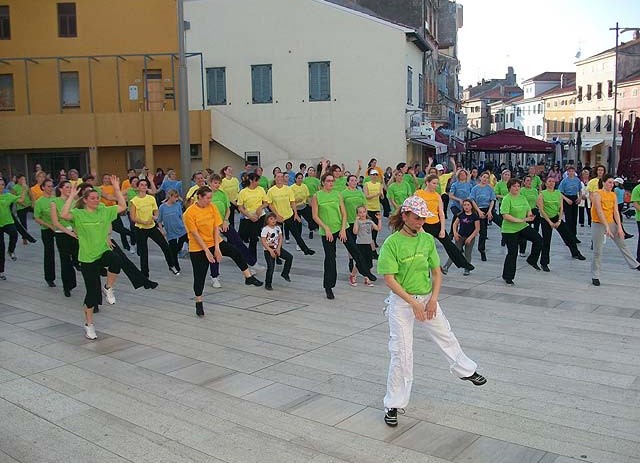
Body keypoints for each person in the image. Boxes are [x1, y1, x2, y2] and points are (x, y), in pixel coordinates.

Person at [378, 195, 486, 427]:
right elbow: (389, 279)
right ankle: (393, 405)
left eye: (423, 218)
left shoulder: (427, 239)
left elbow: (436, 271)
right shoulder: (392, 243)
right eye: (417, 218)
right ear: (405, 216)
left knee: (445, 333)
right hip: (401, 303)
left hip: (427, 297)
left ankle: (466, 370)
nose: (420, 222)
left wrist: (433, 299)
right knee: (401, 353)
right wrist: (413, 303)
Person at [60, 177, 126, 340]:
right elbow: (63, 214)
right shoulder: (79, 214)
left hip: (102, 252)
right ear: (85, 200)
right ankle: (89, 325)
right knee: (91, 294)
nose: (96, 200)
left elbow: (123, 206)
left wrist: (117, 189)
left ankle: (108, 287)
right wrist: (71, 196)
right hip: (88, 258)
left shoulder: (104, 210)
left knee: (116, 260)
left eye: (97, 197)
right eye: (92, 198)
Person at [184, 186, 262, 317]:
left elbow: (216, 228)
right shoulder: (189, 213)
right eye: (208, 198)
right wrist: (207, 252)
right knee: (199, 276)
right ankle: (198, 302)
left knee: (235, 252)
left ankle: (248, 277)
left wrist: (217, 248)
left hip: (214, 241)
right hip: (197, 247)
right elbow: (195, 234)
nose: (210, 200)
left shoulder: (212, 207)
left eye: (211, 198)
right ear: (200, 197)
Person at [312, 173, 376, 299]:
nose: (331, 183)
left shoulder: (337, 194)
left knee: (355, 250)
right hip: (327, 231)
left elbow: (344, 213)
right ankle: (328, 287)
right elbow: (315, 216)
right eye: (329, 181)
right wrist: (326, 229)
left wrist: (342, 229)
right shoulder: (317, 196)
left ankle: (365, 271)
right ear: (323, 182)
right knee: (330, 259)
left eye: (332, 181)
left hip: (341, 227)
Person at [416, 175, 474, 271]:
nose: (436, 185)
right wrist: (419, 227)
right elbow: (416, 212)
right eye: (434, 183)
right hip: (423, 225)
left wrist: (442, 229)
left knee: (449, 245)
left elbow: (441, 213)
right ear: (427, 183)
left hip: (436, 223)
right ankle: (426, 268)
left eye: (437, 183)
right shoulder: (418, 194)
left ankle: (464, 263)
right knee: (424, 248)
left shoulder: (437, 196)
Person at [590, 174, 640, 286]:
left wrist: (620, 228)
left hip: (611, 222)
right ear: (603, 182)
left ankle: (634, 264)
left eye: (612, 183)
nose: (611, 185)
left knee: (622, 243)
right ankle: (595, 275)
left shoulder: (613, 195)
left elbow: (616, 212)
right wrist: (606, 227)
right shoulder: (597, 194)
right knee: (598, 251)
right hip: (598, 224)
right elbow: (599, 211)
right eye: (609, 182)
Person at [130, 178, 180, 278]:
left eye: (145, 185)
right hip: (140, 229)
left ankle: (171, 265)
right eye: (141, 185)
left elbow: (156, 211)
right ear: (138, 187)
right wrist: (144, 221)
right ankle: (145, 274)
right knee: (144, 252)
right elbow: (133, 217)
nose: (144, 187)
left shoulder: (151, 198)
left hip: (152, 227)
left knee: (165, 246)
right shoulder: (134, 201)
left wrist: (156, 217)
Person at [537, 176, 586, 272]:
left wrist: (559, 220)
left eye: (553, 181)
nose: (551, 183)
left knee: (568, 235)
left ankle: (575, 253)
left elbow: (561, 208)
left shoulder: (558, 193)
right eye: (549, 181)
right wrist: (550, 222)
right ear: (546, 183)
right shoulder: (542, 194)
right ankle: (544, 263)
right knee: (546, 241)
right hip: (546, 219)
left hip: (556, 217)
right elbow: (541, 210)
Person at [500, 178, 542, 285]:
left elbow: (528, 209)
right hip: (509, 230)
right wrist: (520, 220)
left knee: (538, 240)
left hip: (522, 226)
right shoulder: (507, 199)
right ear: (509, 188)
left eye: (518, 186)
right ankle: (508, 276)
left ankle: (532, 260)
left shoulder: (522, 198)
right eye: (514, 186)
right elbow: (505, 215)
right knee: (512, 253)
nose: (516, 188)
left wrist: (529, 215)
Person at [266, 172, 315, 255]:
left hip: (289, 215)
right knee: (277, 237)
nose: (280, 178)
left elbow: (292, 202)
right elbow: (270, 205)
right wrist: (277, 215)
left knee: (296, 234)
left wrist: (295, 213)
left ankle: (305, 250)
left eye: (282, 177)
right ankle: (277, 255)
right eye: (278, 177)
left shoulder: (288, 189)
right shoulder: (271, 191)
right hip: (277, 217)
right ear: (275, 178)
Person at [49, 180, 79, 297]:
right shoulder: (54, 202)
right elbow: (55, 222)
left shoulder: (74, 202)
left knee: (77, 257)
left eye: (70, 187)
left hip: (74, 232)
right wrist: (68, 232)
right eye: (67, 187)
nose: (69, 189)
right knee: (65, 260)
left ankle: (74, 278)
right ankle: (67, 286)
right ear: (60, 189)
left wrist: (75, 232)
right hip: (61, 233)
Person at [441, 199, 480, 276]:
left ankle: (467, 268)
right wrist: (455, 233)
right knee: (455, 252)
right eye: (464, 205)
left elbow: (477, 229)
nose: (466, 207)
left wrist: (470, 237)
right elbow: (455, 224)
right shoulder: (460, 214)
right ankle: (446, 267)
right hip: (460, 236)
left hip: (470, 237)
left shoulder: (474, 216)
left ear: (471, 206)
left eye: (468, 205)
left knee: (467, 253)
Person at [237, 172, 268, 262]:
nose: (258, 183)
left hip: (260, 216)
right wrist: (249, 215)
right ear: (251, 180)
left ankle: (255, 260)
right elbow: (240, 207)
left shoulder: (261, 189)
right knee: (249, 238)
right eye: (256, 181)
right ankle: (250, 259)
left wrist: (260, 208)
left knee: (259, 237)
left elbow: (266, 202)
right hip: (249, 217)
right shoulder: (243, 192)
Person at [157, 189, 189, 275]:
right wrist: (162, 230)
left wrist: (186, 226)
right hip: (171, 232)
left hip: (181, 229)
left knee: (183, 244)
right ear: (170, 197)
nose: (176, 199)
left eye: (177, 197)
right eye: (175, 197)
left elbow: (181, 217)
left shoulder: (178, 205)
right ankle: (175, 266)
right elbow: (159, 220)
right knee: (173, 250)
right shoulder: (162, 207)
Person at [33, 179, 57, 287]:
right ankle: (49, 278)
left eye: (52, 186)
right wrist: (49, 226)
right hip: (46, 229)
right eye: (48, 186)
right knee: (49, 253)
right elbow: (37, 218)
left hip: (57, 227)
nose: (50, 188)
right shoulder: (39, 201)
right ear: (43, 187)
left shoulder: (55, 199)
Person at [469, 171, 498, 261]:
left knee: (500, 221)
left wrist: (490, 211)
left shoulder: (490, 189)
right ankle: (482, 250)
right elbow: (472, 200)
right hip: (478, 209)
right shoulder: (475, 188)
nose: (485, 179)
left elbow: (492, 200)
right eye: (484, 177)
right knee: (483, 231)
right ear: (480, 178)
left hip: (488, 209)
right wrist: (478, 211)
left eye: (487, 178)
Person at [260, 212, 293, 290]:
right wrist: (270, 250)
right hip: (268, 250)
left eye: (274, 218)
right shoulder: (265, 229)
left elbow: (281, 238)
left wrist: (278, 248)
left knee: (289, 257)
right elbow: (263, 241)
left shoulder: (278, 228)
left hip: (277, 248)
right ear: (267, 220)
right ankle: (268, 284)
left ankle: (285, 273)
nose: (273, 220)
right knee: (271, 267)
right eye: (271, 219)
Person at [349, 205, 380, 287]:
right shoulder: (358, 222)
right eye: (360, 212)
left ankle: (367, 278)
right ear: (357, 214)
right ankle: (353, 276)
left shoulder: (369, 221)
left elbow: (378, 229)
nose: (362, 214)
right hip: (360, 245)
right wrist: (356, 220)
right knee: (359, 262)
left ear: (366, 212)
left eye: (364, 212)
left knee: (369, 262)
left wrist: (379, 220)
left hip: (368, 244)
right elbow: (355, 232)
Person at [0, 177, 23, 280]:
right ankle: (1, 272)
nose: (1, 186)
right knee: (1, 249)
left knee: (14, 234)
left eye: (2, 184)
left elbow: (21, 200)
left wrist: (24, 189)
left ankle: (11, 250)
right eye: (0, 184)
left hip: (8, 222)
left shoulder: (8, 195)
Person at [290, 172, 317, 245]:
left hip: (304, 206)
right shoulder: (292, 188)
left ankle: (312, 229)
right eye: (298, 178)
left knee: (311, 218)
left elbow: (308, 197)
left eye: (301, 178)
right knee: (298, 225)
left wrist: (312, 205)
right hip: (296, 208)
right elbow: (291, 200)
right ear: (295, 179)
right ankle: (299, 243)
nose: (300, 179)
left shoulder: (304, 186)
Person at [558, 165, 582, 240]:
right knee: (568, 219)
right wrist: (566, 199)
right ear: (567, 172)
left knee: (574, 218)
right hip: (567, 198)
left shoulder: (577, 180)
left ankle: (574, 236)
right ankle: (568, 236)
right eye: (569, 171)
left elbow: (580, 190)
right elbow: (560, 192)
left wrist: (580, 198)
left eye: (572, 171)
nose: (571, 173)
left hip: (574, 198)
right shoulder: (564, 181)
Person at [363, 169, 383, 251]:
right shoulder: (367, 184)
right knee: (369, 226)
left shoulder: (379, 184)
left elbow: (382, 197)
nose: (374, 176)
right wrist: (376, 194)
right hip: (369, 208)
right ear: (370, 176)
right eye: (373, 174)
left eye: (376, 175)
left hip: (376, 207)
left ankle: (373, 240)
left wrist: (381, 195)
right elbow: (366, 196)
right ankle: (369, 242)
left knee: (376, 226)